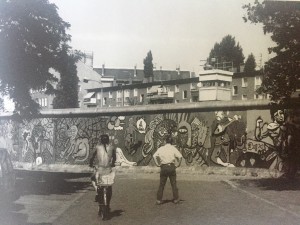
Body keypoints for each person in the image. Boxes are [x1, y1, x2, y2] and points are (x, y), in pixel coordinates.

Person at [152, 135, 182, 205]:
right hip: (171, 166)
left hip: (164, 167)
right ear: (172, 141)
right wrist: (178, 164)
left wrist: (157, 164)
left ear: (165, 141)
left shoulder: (161, 148)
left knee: (161, 184)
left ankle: (159, 200)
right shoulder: (173, 148)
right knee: (173, 184)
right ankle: (176, 199)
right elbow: (180, 157)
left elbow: (154, 156)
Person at [89, 134, 116, 205]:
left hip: (100, 169)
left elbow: (92, 157)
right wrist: (112, 164)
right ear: (108, 140)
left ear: (101, 140)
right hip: (108, 170)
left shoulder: (97, 147)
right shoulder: (112, 147)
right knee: (109, 187)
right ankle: (108, 204)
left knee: (92, 178)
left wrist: (91, 164)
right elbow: (114, 158)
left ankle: (97, 191)